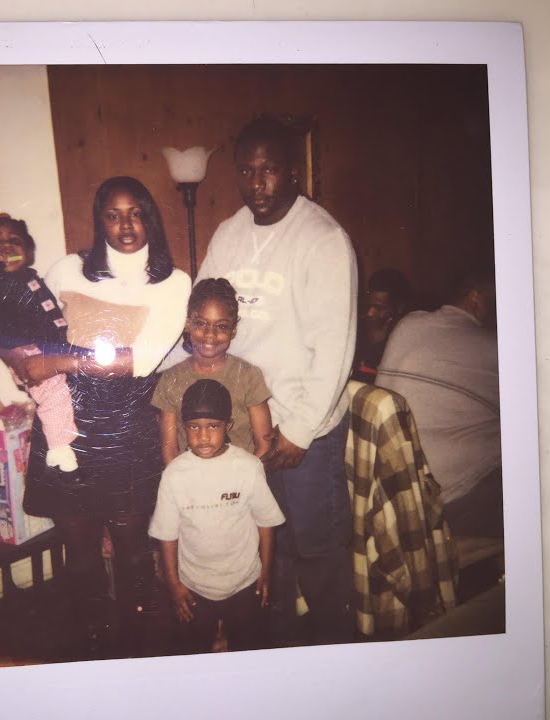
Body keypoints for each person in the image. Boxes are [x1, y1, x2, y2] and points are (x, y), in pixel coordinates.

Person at [164, 114, 358, 646]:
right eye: (246, 172)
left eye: (269, 170)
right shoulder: (230, 233)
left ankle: (340, 660)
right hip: (245, 427)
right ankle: (280, 659)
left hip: (303, 430)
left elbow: (336, 346)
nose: (257, 184)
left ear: (292, 171)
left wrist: (300, 430)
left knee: (317, 552)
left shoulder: (322, 239)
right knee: (266, 548)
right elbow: (200, 317)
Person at [1, 176, 191, 659]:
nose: (125, 225)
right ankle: (92, 642)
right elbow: (23, 323)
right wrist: (19, 358)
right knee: (79, 548)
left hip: (127, 427)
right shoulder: (67, 268)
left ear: (150, 218)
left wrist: (55, 362)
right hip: (65, 424)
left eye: (135, 213)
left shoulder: (175, 283)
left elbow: (140, 360)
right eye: (112, 214)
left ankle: (135, 647)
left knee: (132, 550)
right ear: (99, 220)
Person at [148, 379, 286, 655]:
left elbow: (266, 523)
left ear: (228, 425)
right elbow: (167, 534)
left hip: (245, 582)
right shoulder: (174, 475)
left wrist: (266, 573)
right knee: (194, 655)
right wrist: (174, 585)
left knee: (250, 653)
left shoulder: (248, 467)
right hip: (194, 587)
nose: (203, 436)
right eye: (194, 427)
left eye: (213, 426)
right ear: (183, 427)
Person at [375, 271, 502, 538]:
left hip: (388, 493)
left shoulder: (409, 323)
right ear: (475, 298)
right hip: (443, 502)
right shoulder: (495, 349)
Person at [0, 212, 79, 472]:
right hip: (25, 350)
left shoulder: (31, 278)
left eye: (14, 241)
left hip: (49, 347)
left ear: (28, 253)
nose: (6, 246)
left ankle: (62, 437)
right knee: (54, 393)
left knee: (64, 392)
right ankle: (59, 448)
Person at [152, 278, 274, 466]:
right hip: (190, 479)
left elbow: (264, 445)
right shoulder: (170, 379)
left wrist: (242, 478)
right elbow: (170, 451)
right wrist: (183, 480)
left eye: (221, 326)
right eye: (201, 323)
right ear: (188, 324)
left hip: (240, 479)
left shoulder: (249, 376)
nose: (210, 334)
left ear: (233, 331)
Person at [350, 268, 412, 383]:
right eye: (368, 305)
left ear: (399, 308)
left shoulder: (404, 342)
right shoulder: (356, 330)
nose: (370, 313)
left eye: (379, 308)